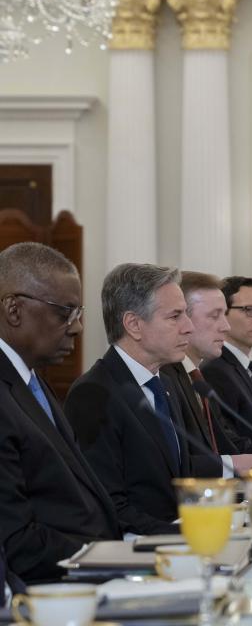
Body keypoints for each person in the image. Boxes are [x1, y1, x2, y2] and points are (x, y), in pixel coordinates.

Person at [0, 243, 120, 581]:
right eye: (64, 312)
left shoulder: (33, 379)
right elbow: (16, 541)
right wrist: (114, 560)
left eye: (78, 312)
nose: (77, 327)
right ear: (14, 309)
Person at [65, 264, 196, 535]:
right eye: (175, 316)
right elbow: (108, 505)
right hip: (134, 556)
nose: (189, 327)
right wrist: (183, 535)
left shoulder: (166, 384)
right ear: (134, 325)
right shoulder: (92, 394)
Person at [161, 272, 252, 472]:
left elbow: (225, 441)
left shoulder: (194, 378)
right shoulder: (165, 379)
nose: (225, 327)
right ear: (183, 319)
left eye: (224, 314)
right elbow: (173, 466)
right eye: (214, 315)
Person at [201, 276, 252, 451]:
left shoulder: (249, 371)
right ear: (223, 313)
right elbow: (230, 444)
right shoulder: (215, 371)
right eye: (250, 310)